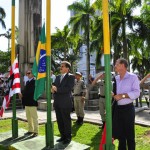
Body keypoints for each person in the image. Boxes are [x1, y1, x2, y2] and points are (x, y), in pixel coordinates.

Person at [112, 58, 140, 150]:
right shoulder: (115, 78)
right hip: (118, 109)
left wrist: (122, 96)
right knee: (120, 135)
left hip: (128, 109)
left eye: (117, 64)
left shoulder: (133, 77)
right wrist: (113, 95)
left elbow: (137, 93)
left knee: (130, 135)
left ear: (123, 65)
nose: (115, 66)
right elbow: (116, 94)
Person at [51, 61, 75, 145]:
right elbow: (53, 85)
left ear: (67, 68)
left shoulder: (71, 77)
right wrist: (52, 89)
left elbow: (68, 89)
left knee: (66, 121)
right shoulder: (57, 77)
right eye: (60, 66)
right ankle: (62, 136)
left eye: (62, 66)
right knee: (59, 120)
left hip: (65, 103)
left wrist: (57, 89)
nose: (60, 68)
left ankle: (68, 137)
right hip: (57, 102)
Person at [19, 70, 38, 137]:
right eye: (26, 73)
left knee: (34, 117)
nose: (27, 75)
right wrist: (22, 94)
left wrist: (23, 95)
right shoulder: (27, 82)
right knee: (28, 118)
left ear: (33, 74)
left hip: (32, 102)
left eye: (29, 73)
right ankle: (30, 130)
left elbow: (31, 92)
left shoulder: (35, 81)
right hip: (27, 102)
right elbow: (26, 91)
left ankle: (36, 131)